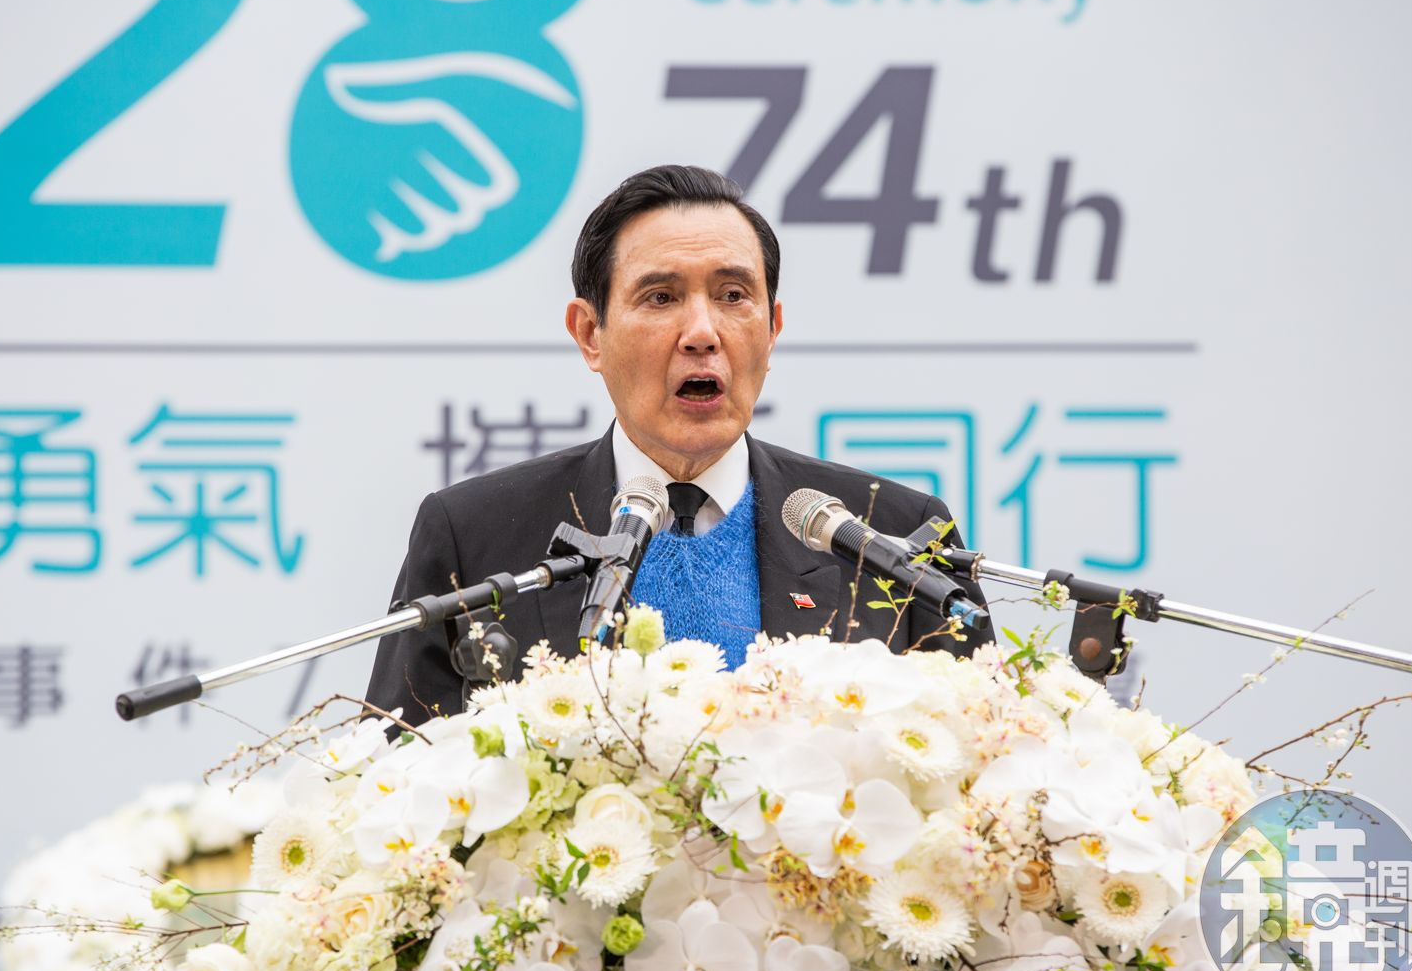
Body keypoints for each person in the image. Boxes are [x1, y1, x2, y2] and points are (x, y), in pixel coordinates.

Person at [366, 165, 992, 723]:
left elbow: (979, 761)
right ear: (590, 333)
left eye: (733, 296)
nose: (702, 332)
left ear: (772, 328)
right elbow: (398, 772)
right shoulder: (475, 535)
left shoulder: (892, 531)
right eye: (661, 297)